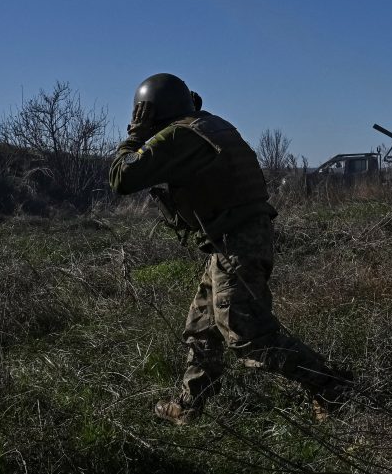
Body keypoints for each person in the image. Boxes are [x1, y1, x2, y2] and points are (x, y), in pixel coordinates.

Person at [108, 73, 349, 425]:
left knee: (247, 334)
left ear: (151, 113)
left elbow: (122, 178)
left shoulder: (179, 135)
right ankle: (188, 406)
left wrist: (135, 136)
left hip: (237, 242)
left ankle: (330, 385)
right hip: (232, 240)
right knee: (202, 327)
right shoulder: (209, 125)